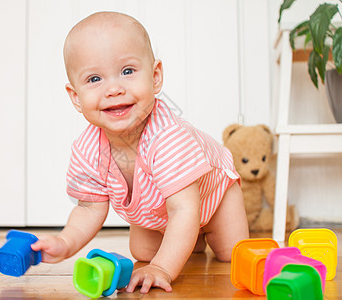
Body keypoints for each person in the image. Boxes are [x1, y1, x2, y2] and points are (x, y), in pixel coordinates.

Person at [31, 11, 249, 294]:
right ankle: (190, 240)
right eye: (95, 79)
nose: (113, 89)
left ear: (156, 77)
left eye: (127, 71)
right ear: (76, 97)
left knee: (231, 253)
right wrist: (65, 243)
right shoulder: (88, 150)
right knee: (143, 252)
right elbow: (88, 208)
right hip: (158, 212)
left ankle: (199, 233)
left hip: (214, 197)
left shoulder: (168, 138)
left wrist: (163, 268)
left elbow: (184, 209)